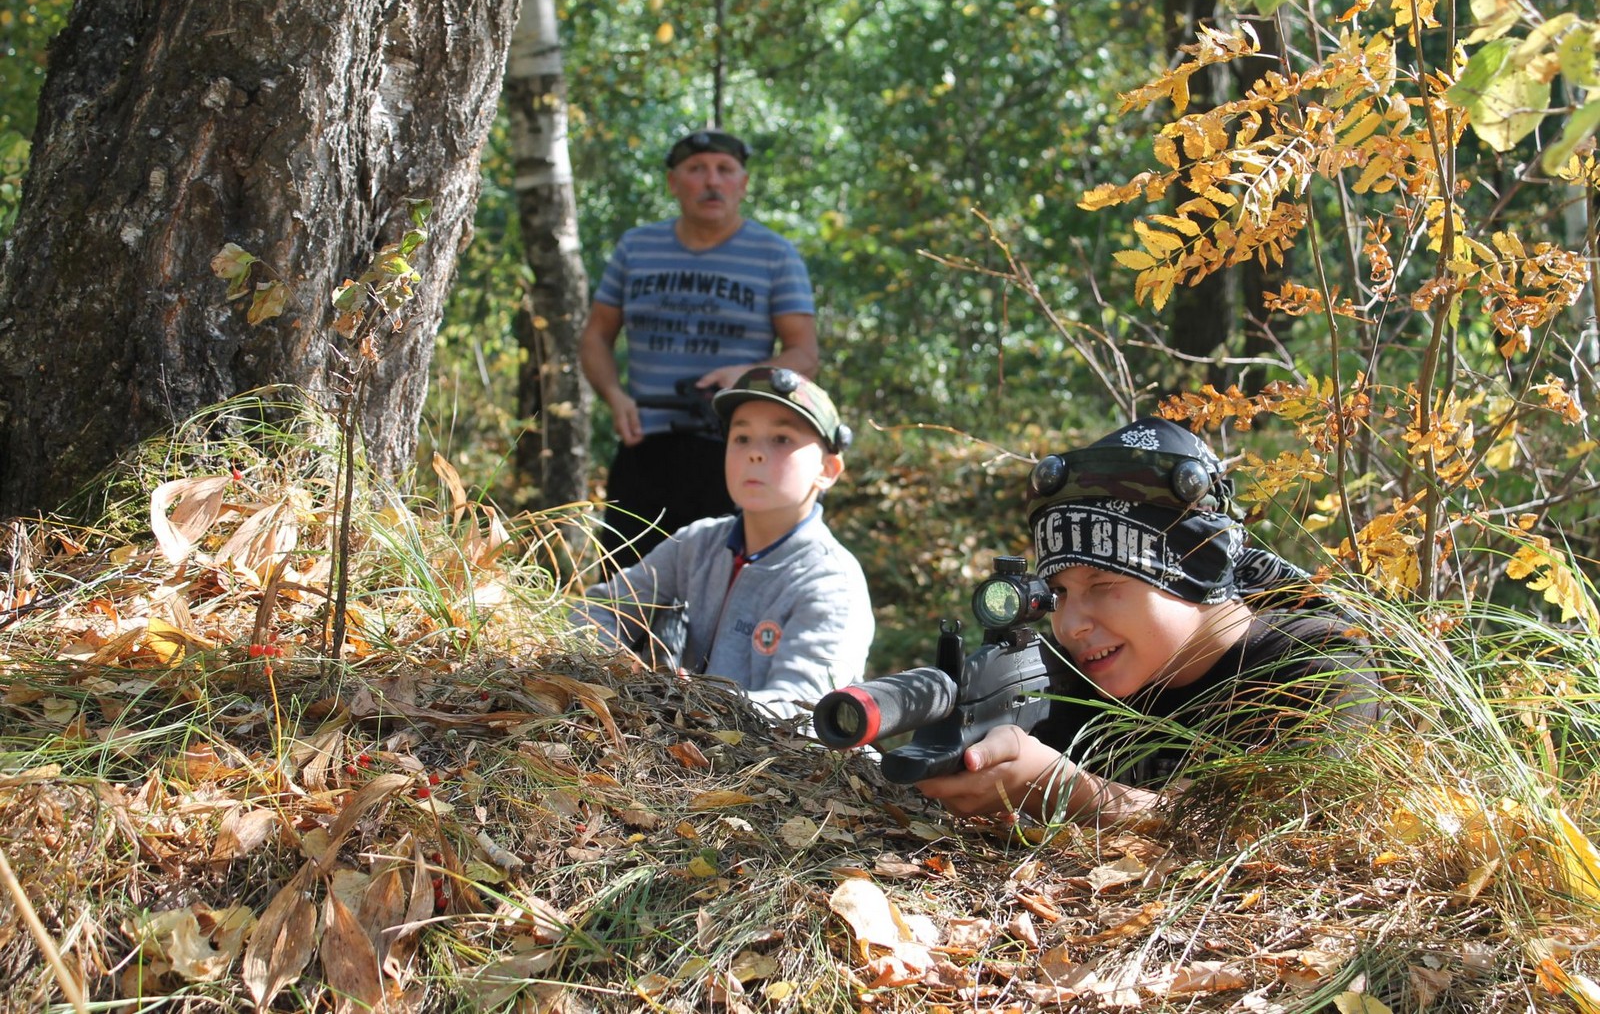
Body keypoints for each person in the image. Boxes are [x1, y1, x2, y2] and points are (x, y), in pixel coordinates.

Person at [916, 416, 1383, 823]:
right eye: (1058, 591)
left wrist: (1063, 790)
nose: (1070, 624)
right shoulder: (1063, 675)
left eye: (1102, 585)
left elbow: (1278, 839)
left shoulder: (1322, 663)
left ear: (1194, 573)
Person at [570, 367, 872, 721]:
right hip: (681, 756)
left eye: (781, 439)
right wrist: (625, 671)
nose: (755, 454)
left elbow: (803, 714)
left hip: (778, 773)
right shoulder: (697, 544)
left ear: (829, 469)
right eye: (741, 438)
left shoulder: (831, 583)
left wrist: (691, 702)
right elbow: (596, 610)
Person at [580, 127, 819, 569]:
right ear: (673, 182)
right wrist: (615, 397)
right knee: (626, 587)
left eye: (725, 170)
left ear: (743, 184)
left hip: (734, 449)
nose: (712, 181)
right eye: (697, 170)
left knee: (722, 585)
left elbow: (804, 354)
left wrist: (745, 377)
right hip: (643, 444)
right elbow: (595, 335)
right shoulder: (637, 248)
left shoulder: (775, 255)